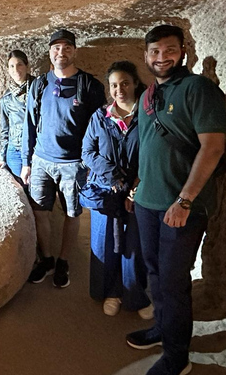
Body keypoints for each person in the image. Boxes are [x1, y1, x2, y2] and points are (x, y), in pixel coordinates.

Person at [126, 25, 226, 375]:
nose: (161, 57)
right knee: (155, 274)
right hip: (148, 203)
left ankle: (176, 356)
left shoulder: (198, 89)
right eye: (154, 51)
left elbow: (213, 147)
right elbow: (147, 147)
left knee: (173, 281)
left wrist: (184, 201)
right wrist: (137, 186)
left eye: (169, 50)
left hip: (182, 207)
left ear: (183, 51)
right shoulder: (148, 96)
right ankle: (162, 329)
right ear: (146, 55)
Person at [21, 29, 106, 288]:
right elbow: (29, 125)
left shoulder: (90, 86)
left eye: (67, 47)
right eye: (56, 47)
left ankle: (64, 260)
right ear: (50, 52)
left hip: (73, 163)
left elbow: (100, 128)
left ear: (74, 51)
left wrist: (92, 163)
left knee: (72, 212)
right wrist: (26, 161)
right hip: (42, 161)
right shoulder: (39, 85)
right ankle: (46, 259)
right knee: (40, 211)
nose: (61, 52)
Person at [81, 61, 152, 318]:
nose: (119, 89)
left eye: (124, 83)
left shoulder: (146, 117)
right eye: (114, 85)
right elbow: (87, 152)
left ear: (134, 84)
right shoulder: (100, 117)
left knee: (134, 245)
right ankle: (110, 292)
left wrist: (135, 184)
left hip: (137, 189)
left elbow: (152, 153)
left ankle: (135, 294)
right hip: (106, 190)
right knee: (105, 244)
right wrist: (113, 175)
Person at [0, 50, 35, 198]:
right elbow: (5, 131)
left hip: (36, 150)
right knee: (23, 193)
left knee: (37, 195)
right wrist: (2, 157)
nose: (16, 70)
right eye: (11, 66)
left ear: (26, 65)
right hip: (15, 150)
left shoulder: (39, 89)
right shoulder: (7, 99)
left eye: (19, 64)